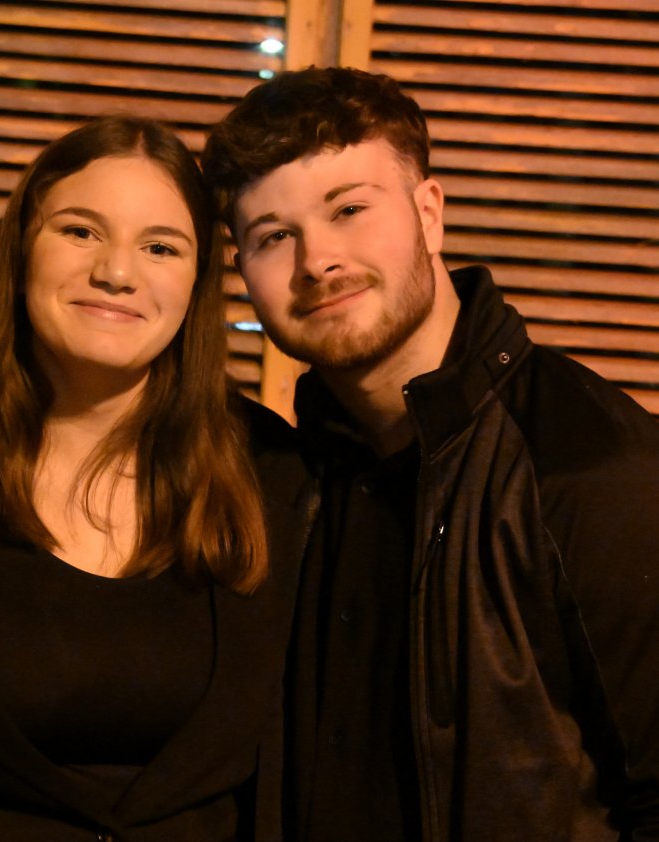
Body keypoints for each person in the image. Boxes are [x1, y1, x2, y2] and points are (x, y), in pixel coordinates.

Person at [203, 66, 659, 840]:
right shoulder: (280, 475)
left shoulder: (591, 464)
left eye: (349, 209)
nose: (317, 261)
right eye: (273, 236)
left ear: (429, 212)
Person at [0, 115, 311, 840]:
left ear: (197, 282)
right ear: (23, 248)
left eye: (160, 247)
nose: (116, 272)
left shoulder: (276, 477)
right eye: (81, 231)